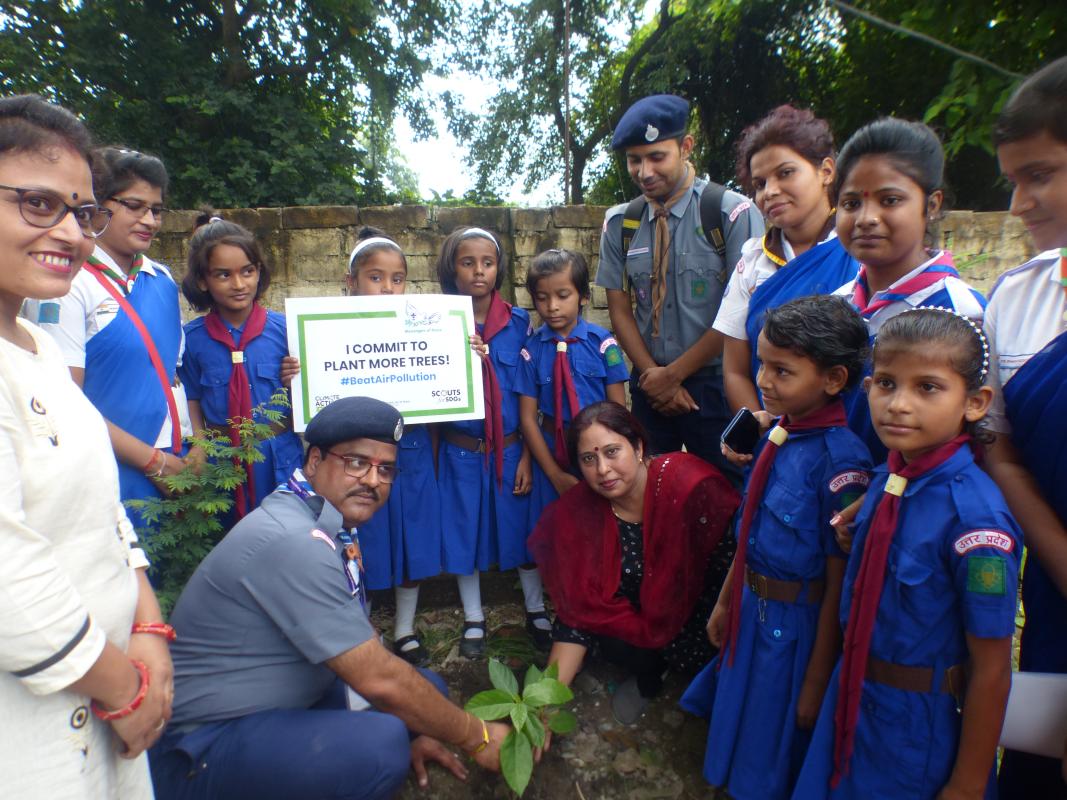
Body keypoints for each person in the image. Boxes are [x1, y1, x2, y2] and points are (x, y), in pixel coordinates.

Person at [148, 397, 508, 800]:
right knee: (383, 744)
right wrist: (476, 736)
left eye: (385, 469)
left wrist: (426, 726)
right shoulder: (294, 539)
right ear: (315, 461)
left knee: (427, 689)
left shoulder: (321, 517)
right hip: (204, 745)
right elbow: (378, 678)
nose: (373, 480)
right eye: (356, 462)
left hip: (287, 701)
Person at [0, 94, 171, 797]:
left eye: (82, 211)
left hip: (109, 706)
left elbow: (103, 510)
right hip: (35, 735)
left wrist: (151, 626)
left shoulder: (36, 345)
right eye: (39, 205)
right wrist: (129, 691)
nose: (72, 232)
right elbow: (8, 580)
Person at [792, 308, 1020, 799]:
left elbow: (993, 669)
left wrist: (966, 785)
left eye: (928, 388)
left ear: (976, 403)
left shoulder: (976, 522)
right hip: (854, 696)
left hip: (917, 727)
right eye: (887, 384)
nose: (898, 404)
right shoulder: (890, 478)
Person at [682, 295, 872, 800]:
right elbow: (748, 533)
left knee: (775, 731)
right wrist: (726, 602)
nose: (763, 380)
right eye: (763, 363)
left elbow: (839, 581)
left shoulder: (841, 462)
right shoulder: (777, 436)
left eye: (782, 371)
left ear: (833, 380)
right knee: (740, 714)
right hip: (751, 609)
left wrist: (815, 679)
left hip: (796, 632)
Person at [528, 401, 740, 727]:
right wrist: (543, 704)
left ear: (638, 446)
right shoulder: (580, 511)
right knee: (607, 633)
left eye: (612, 452)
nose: (602, 470)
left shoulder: (688, 486)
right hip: (639, 633)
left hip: (708, 626)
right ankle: (650, 672)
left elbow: (735, 565)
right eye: (588, 459)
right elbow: (577, 611)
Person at [26, 145, 193, 537]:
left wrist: (195, 444)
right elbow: (64, 403)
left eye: (156, 209)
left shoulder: (162, 280)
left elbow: (172, 375)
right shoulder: (67, 284)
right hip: (112, 469)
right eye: (134, 205)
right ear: (98, 206)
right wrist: (154, 462)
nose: (149, 220)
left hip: (176, 465)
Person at [595, 93, 764, 481]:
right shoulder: (620, 224)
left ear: (686, 146)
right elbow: (619, 309)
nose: (644, 171)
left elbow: (740, 311)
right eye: (634, 160)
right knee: (650, 492)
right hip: (649, 384)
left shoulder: (731, 213)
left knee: (730, 493)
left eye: (657, 156)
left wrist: (674, 376)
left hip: (719, 386)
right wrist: (654, 376)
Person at [983, 54, 1067, 798]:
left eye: (1038, 175)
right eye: (1013, 180)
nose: (1019, 206)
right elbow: (1000, 452)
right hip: (1054, 596)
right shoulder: (1017, 299)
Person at [831, 118, 986, 459]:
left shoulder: (963, 314)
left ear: (931, 206)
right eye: (851, 203)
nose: (866, 218)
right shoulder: (836, 304)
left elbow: (979, 441)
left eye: (889, 200)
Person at [713, 105, 858, 415]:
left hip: (853, 431)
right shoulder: (751, 263)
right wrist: (763, 435)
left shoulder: (859, 249)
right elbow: (736, 370)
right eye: (760, 184)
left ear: (826, 171)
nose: (770, 192)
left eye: (786, 173)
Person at [343, 226, 443, 667]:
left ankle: (405, 627)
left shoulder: (425, 326)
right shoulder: (328, 330)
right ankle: (361, 627)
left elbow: (446, 382)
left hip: (413, 450)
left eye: (397, 278)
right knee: (360, 537)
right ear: (352, 282)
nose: (387, 287)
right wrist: (298, 371)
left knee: (414, 537)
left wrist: (462, 355)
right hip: (359, 456)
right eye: (375, 277)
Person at [435, 226, 534, 659]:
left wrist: (529, 452)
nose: (479, 271)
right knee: (464, 533)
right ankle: (474, 616)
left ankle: (536, 609)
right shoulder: (434, 323)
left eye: (488, 263)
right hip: (461, 448)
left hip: (511, 447)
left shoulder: (520, 323)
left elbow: (533, 394)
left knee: (522, 529)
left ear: (499, 268)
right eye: (467, 262)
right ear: (451, 269)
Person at [515, 248, 629, 609]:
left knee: (601, 531)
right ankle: (554, 608)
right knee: (552, 532)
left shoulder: (603, 344)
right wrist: (552, 472)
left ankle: (601, 601)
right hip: (552, 453)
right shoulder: (531, 351)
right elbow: (527, 417)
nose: (552, 307)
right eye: (542, 298)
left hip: (598, 457)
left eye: (563, 295)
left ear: (582, 295)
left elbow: (618, 409)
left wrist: (607, 459)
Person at [177, 211, 302, 518]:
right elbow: (191, 395)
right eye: (223, 274)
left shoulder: (286, 331)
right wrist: (200, 444)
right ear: (203, 281)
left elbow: (310, 396)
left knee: (283, 534)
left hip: (278, 455)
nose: (238, 283)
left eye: (247, 271)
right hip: (222, 461)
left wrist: (295, 380)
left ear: (258, 272)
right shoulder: (192, 340)